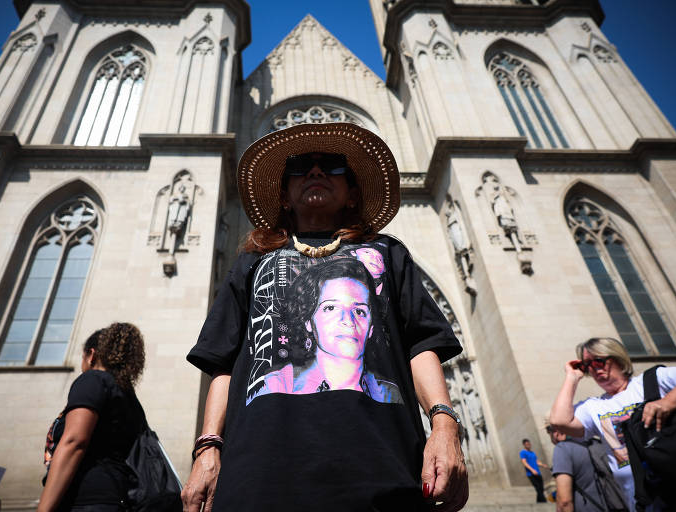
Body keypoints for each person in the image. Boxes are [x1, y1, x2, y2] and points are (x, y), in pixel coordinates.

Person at [183, 122, 467, 511]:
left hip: (382, 472)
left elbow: (421, 343)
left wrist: (444, 425)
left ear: (352, 193)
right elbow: (224, 362)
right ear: (284, 194)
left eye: (332, 166)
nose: (315, 172)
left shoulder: (387, 253)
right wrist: (208, 448)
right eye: (300, 167)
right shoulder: (252, 262)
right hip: (258, 478)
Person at [550, 337, 676, 510]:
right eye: (587, 366)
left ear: (617, 358)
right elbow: (559, 421)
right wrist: (572, 377)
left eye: (598, 361)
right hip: (643, 501)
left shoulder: (653, 380)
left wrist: (667, 402)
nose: (594, 370)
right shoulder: (595, 406)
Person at [253, 257, 400, 403]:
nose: (348, 321)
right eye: (331, 308)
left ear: (371, 327)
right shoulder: (275, 386)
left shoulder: (391, 395)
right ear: (308, 321)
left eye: (359, 311)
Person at [38, 323, 148, 511]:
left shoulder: (94, 379)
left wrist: (44, 509)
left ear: (92, 355)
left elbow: (74, 441)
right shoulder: (129, 397)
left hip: (85, 499)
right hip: (117, 498)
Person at [548, 423, 605, 512]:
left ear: (556, 433)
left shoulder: (562, 448)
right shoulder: (598, 443)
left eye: (549, 431)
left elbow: (565, 501)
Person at [519, 438, 548, 503]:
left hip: (537, 472)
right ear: (524, 445)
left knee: (541, 488)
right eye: (527, 444)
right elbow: (524, 463)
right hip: (531, 474)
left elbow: (537, 462)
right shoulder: (523, 452)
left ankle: (538, 502)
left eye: (529, 444)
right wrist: (532, 470)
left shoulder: (533, 453)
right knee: (538, 488)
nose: (528, 445)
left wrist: (543, 465)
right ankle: (544, 501)